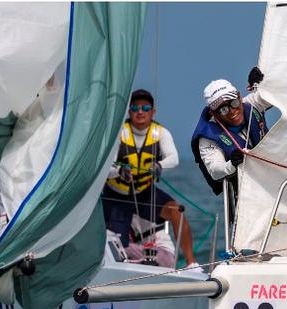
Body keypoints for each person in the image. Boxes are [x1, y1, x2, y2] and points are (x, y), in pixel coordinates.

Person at [102, 89, 197, 268]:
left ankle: (192, 263)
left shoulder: (161, 133)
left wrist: (159, 165)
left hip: (144, 192)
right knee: (119, 245)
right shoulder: (119, 133)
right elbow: (107, 166)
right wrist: (119, 171)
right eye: (135, 108)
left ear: (153, 112)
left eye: (145, 108)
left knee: (177, 211)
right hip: (116, 195)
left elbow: (173, 159)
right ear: (129, 111)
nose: (140, 112)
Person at [191, 67, 271, 196]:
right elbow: (215, 171)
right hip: (245, 195)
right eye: (223, 110)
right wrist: (233, 163)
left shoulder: (252, 103)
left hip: (276, 179)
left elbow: (277, 93)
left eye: (233, 103)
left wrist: (263, 81)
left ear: (239, 97)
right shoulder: (207, 137)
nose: (232, 112)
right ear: (213, 113)